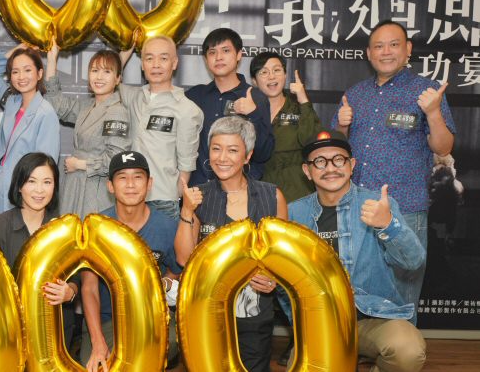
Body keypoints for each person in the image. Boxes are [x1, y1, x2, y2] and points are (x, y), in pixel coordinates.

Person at [333, 19, 455, 320]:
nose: (386, 51)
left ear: (408, 49)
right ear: (368, 53)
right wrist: (342, 127)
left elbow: (443, 148)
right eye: (378, 46)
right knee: (356, 295)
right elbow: (337, 151)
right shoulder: (355, 94)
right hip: (359, 210)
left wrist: (433, 112)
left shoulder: (426, 91)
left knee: (403, 295)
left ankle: (400, 349)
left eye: (393, 44)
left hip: (405, 209)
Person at [283, 129, 426, 371]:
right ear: (307, 171)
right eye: (320, 161)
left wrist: (388, 225)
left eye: (339, 159)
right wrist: (301, 321)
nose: (330, 168)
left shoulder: (378, 206)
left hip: (374, 318)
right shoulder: (294, 214)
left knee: (408, 351)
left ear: (352, 165)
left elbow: (413, 261)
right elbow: (284, 282)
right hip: (321, 323)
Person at [175, 115, 287, 372]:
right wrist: (187, 210)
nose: (222, 157)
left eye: (233, 150)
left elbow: (280, 257)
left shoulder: (272, 196)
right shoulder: (197, 196)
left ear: (248, 156)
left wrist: (273, 278)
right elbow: (183, 259)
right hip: (206, 314)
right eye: (216, 149)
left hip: (254, 314)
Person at [81, 151, 181, 370]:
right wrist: (98, 342)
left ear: (149, 183)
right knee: (96, 364)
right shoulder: (96, 227)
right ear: (110, 186)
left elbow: (175, 270)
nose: (130, 184)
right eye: (122, 177)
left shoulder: (167, 226)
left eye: (137, 177)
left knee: (166, 345)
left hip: (149, 317)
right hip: (108, 319)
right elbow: (89, 288)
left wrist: (159, 289)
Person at [0, 153, 77, 341]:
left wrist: (70, 291)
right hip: (12, 330)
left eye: (47, 182)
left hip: (55, 329)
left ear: (55, 186)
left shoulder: (64, 228)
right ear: (19, 185)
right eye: (31, 181)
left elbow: (77, 275)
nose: (39, 190)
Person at [117, 36, 203, 219]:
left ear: (174, 63)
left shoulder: (187, 110)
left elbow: (186, 163)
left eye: (163, 58)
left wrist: (173, 197)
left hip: (162, 201)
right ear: (142, 65)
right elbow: (110, 78)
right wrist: (124, 54)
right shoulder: (134, 97)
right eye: (149, 58)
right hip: (128, 198)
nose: (156, 65)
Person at [44, 44, 130, 216]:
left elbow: (115, 160)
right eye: (94, 70)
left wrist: (80, 164)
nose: (99, 77)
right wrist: (52, 59)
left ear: (118, 79)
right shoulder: (87, 106)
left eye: (107, 72)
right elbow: (56, 104)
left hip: (96, 191)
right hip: (74, 186)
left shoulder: (117, 111)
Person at [185, 28, 274, 187]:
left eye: (225, 51)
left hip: (239, 191)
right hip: (199, 190)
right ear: (206, 59)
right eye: (212, 52)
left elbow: (264, 154)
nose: (218, 57)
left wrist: (253, 114)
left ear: (239, 54)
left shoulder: (255, 97)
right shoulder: (194, 96)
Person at [0, 44, 60, 219]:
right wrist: (21, 47)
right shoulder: (12, 102)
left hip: (23, 194)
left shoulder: (46, 113)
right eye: (15, 71)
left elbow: (46, 167)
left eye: (27, 70)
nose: (21, 77)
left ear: (39, 74)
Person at [250, 51, 322, 202]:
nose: (271, 76)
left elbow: (313, 144)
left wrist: (303, 99)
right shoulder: (248, 111)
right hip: (258, 193)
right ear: (254, 81)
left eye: (277, 70)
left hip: (296, 193)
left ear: (285, 75)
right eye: (264, 72)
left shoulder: (299, 108)